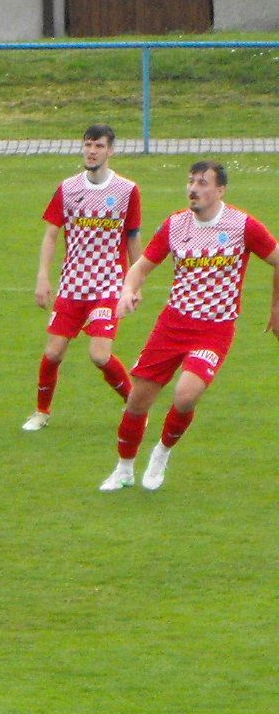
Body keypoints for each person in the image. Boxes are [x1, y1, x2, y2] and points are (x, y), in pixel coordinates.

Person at [101, 159, 279, 493]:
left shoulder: (242, 226)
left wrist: (276, 307)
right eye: (191, 181)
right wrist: (127, 292)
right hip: (173, 324)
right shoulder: (176, 225)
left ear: (220, 190)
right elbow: (140, 268)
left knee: (185, 396)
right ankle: (123, 469)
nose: (193, 189)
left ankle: (162, 453)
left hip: (214, 329)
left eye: (202, 183)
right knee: (137, 401)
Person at [26, 125, 140, 431]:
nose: (92, 151)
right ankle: (41, 412)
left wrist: (134, 285)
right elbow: (51, 235)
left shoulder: (127, 191)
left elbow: (132, 237)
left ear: (110, 150)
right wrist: (43, 276)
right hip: (72, 284)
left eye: (99, 146)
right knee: (53, 352)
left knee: (99, 355)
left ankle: (135, 406)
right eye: (88, 145)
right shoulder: (68, 188)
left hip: (108, 285)